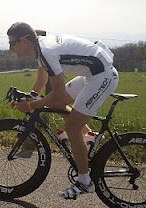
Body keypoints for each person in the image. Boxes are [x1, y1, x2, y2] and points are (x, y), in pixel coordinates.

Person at [7, 22, 119, 200]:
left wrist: (30, 106)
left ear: (25, 41)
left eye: (12, 43)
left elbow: (58, 94)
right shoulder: (40, 48)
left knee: (72, 128)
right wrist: (33, 96)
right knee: (57, 107)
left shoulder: (46, 52)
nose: (11, 48)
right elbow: (44, 77)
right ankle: (90, 136)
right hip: (91, 74)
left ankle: (85, 182)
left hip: (102, 77)